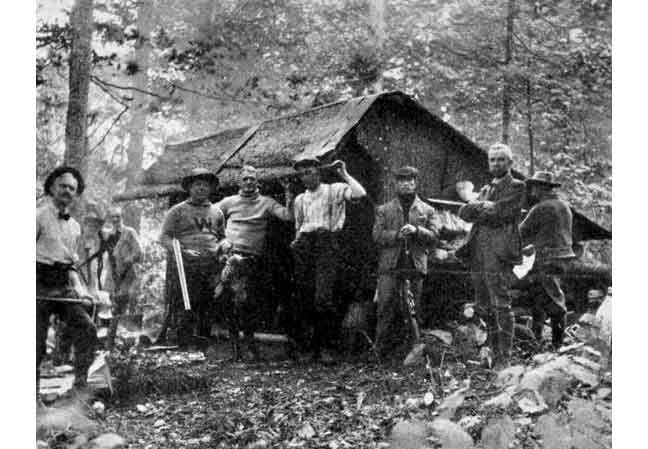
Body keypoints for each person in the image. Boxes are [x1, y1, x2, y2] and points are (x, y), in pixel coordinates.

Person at [290, 157, 367, 362]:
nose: (308, 176)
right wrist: (296, 242)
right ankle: (309, 348)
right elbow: (299, 225)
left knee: (323, 298)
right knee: (304, 297)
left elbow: (360, 194)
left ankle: (327, 347)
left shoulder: (335, 189)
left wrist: (344, 174)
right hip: (305, 246)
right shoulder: (299, 199)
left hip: (327, 243)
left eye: (311, 171)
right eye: (303, 173)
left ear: (319, 172)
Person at [456, 143, 525, 365]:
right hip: (478, 250)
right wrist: (482, 205)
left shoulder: (517, 186)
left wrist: (479, 205)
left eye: (501, 159)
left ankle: (504, 357)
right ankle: (492, 353)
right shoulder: (487, 189)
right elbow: (463, 213)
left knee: (501, 303)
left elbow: (502, 211)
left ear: (510, 163)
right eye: (492, 160)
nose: (496, 163)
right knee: (483, 304)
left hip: (499, 251)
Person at [215, 165, 294, 359]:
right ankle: (235, 349)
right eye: (245, 179)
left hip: (252, 260)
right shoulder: (228, 202)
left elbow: (288, 216)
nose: (249, 182)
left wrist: (288, 192)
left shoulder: (266, 202)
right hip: (230, 258)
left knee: (249, 304)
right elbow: (209, 217)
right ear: (238, 182)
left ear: (258, 182)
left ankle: (250, 346)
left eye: (252, 178)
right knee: (229, 303)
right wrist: (221, 241)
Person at [37, 167, 99, 392]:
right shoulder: (37, 216)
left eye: (72, 188)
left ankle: (79, 388)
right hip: (38, 282)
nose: (67, 191)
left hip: (62, 285)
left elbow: (71, 264)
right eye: (62, 186)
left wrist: (81, 289)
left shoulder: (74, 226)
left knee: (87, 330)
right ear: (52, 187)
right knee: (35, 341)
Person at [372, 166, 440, 359]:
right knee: (385, 308)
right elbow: (376, 236)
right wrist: (396, 235)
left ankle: (412, 353)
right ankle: (379, 352)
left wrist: (417, 230)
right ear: (396, 184)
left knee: (412, 310)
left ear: (415, 183)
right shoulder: (384, 210)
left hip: (414, 267)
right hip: (390, 267)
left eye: (410, 181)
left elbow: (435, 236)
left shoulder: (428, 210)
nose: (406, 184)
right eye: (402, 181)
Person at [159, 168, 227, 347]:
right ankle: (184, 346)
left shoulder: (217, 212)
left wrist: (224, 245)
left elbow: (221, 236)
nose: (201, 189)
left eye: (205, 185)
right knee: (187, 305)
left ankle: (202, 347)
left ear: (211, 189)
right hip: (186, 266)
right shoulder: (177, 211)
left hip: (210, 266)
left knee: (207, 305)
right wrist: (182, 251)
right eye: (197, 185)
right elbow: (164, 237)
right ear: (189, 188)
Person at [519, 171, 576, 350]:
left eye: (535, 186)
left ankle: (557, 345)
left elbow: (521, 231)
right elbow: (552, 233)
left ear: (543, 188)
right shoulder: (564, 206)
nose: (532, 190)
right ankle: (537, 339)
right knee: (540, 299)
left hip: (546, 259)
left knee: (554, 302)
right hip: (562, 258)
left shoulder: (541, 208)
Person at [102, 206, 143, 348]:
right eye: (112, 217)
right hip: (111, 276)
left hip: (127, 275)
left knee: (124, 306)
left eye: (117, 216)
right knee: (110, 307)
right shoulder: (107, 234)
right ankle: (110, 342)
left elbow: (139, 252)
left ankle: (126, 343)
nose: (115, 219)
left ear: (122, 217)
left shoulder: (129, 232)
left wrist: (128, 260)